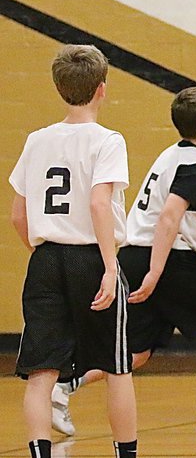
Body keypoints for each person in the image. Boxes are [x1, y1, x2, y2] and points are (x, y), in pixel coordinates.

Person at [66, 85, 196, 434]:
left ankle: (63, 386)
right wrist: (155, 272)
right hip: (166, 258)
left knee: (137, 351)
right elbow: (169, 218)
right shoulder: (195, 166)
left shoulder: (170, 155)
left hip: (132, 253)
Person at [9, 44, 137, 458]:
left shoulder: (37, 140)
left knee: (41, 372)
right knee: (117, 366)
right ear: (102, 89)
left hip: (45, 259)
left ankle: (39, 453)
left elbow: (16, 216)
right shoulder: (108, 140)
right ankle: (127, 454)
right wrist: (106, 265)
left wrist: (44, 251)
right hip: (91, 256)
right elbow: (100, 204)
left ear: (58, 88)